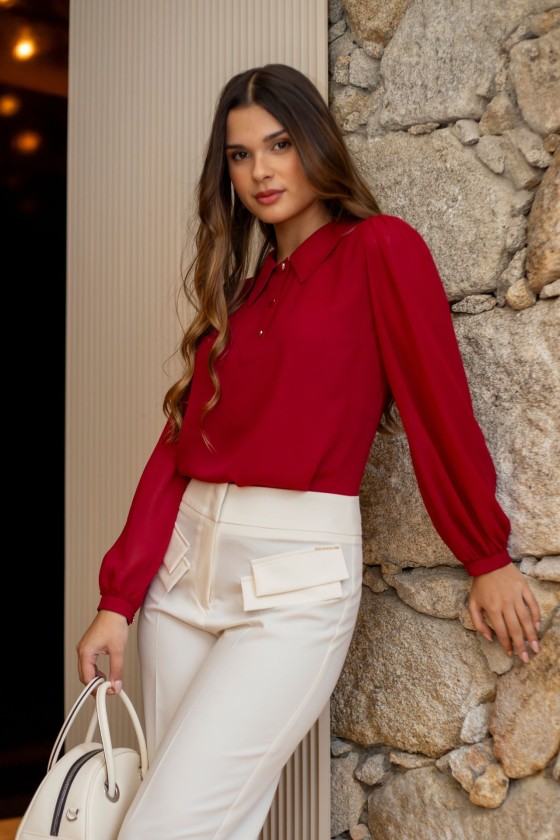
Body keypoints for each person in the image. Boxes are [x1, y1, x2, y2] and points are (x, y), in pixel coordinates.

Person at [76, 63, 541, 840]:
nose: (260, 170)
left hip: (293, 586)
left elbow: (438, 405)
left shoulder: (379, 250)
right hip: (182, 579)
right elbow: (177, 452)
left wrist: (484, 553)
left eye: (279, 144)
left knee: (165, 826)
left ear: (315, 146)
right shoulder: (244, 291)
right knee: (186, 815)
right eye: (240, 154)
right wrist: (116, 600)